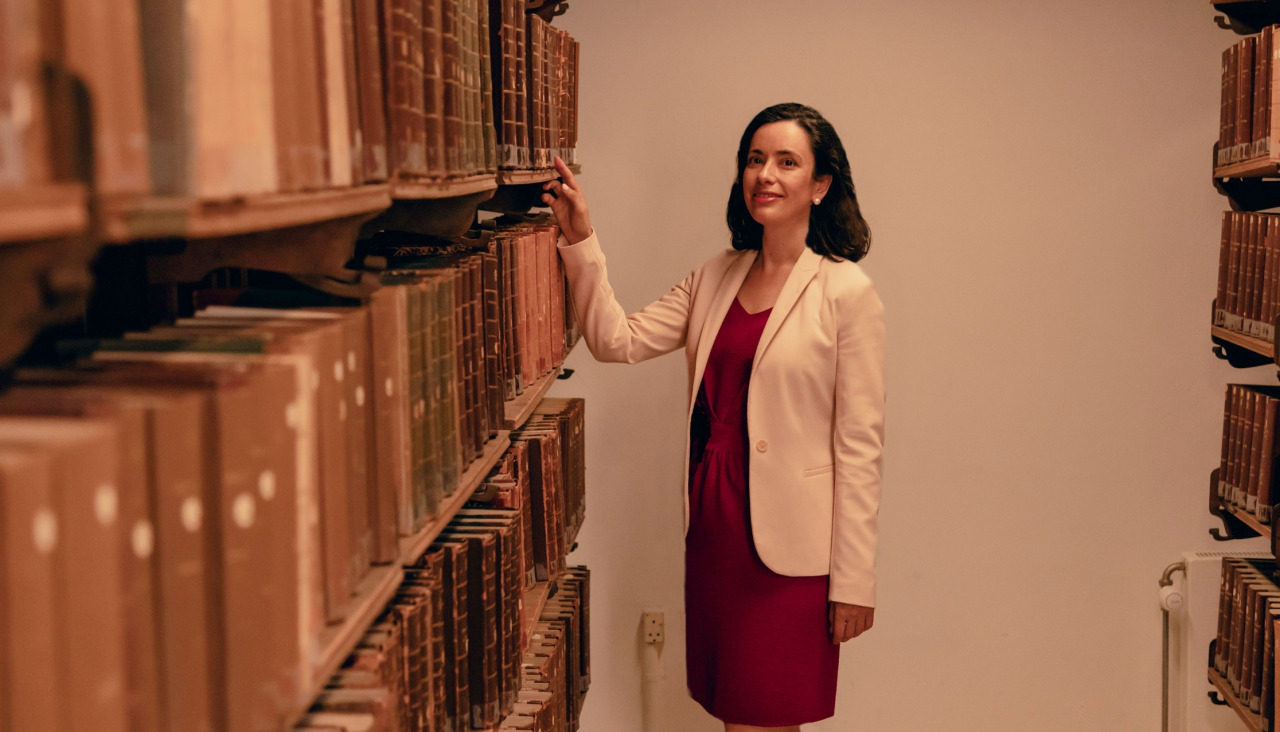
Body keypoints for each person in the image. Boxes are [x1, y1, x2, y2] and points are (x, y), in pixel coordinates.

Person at [541, 102, 885, 732]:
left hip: (792, 548)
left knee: (769, 714)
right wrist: (580, 238)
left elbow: (860, 447)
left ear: (821, 184)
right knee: (736, 716)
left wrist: (854, 580)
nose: (766, 175)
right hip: (715, 527)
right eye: (755, 160)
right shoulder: (715, 277)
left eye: (787, 161)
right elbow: (616, 340)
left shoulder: (846, 293)